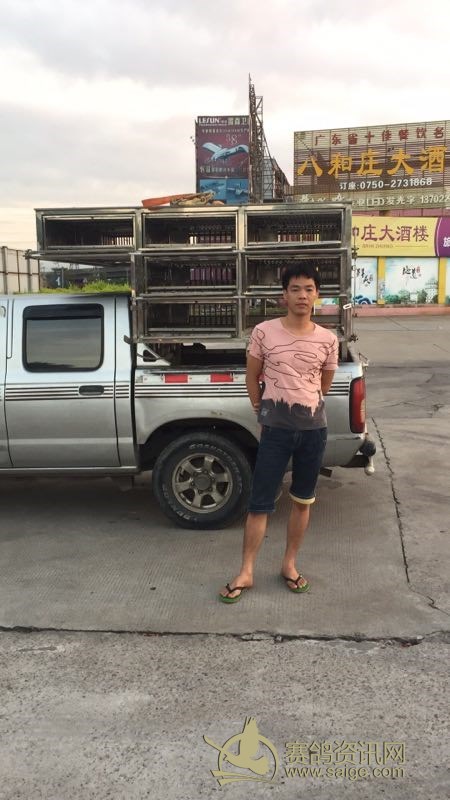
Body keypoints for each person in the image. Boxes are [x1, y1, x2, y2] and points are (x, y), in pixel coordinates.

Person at [219, 263, 338, 603]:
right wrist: (262, 410)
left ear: (317, 295)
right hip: (275, 432)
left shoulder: (328, 339)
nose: (302, 295)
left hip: (313, 431)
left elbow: (323, 384)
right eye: (295, 289)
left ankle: (289, 565)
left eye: (309, 289)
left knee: (302, 501)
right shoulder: (264, 332)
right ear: (284, 295)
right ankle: (246, 571)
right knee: (260, 504)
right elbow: (251, 376)